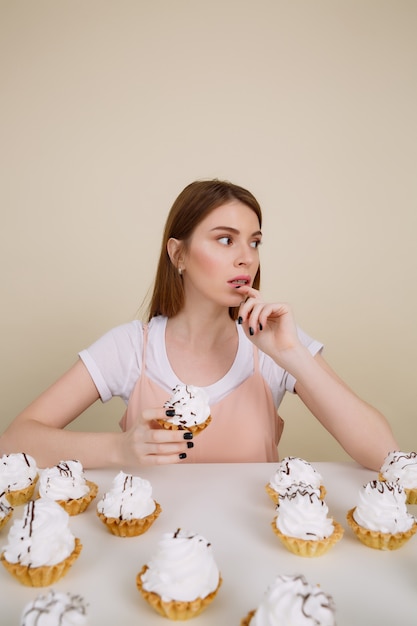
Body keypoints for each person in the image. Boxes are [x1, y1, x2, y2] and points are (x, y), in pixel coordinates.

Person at [0, 180, 398, 471]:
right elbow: (13, 444)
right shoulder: (129, 348)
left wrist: (294, 356)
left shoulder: (276, 342)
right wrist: (119, 450)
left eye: (255, 242)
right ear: (179, 254)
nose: (246, 257)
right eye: (225, 240)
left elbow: (385, 455)